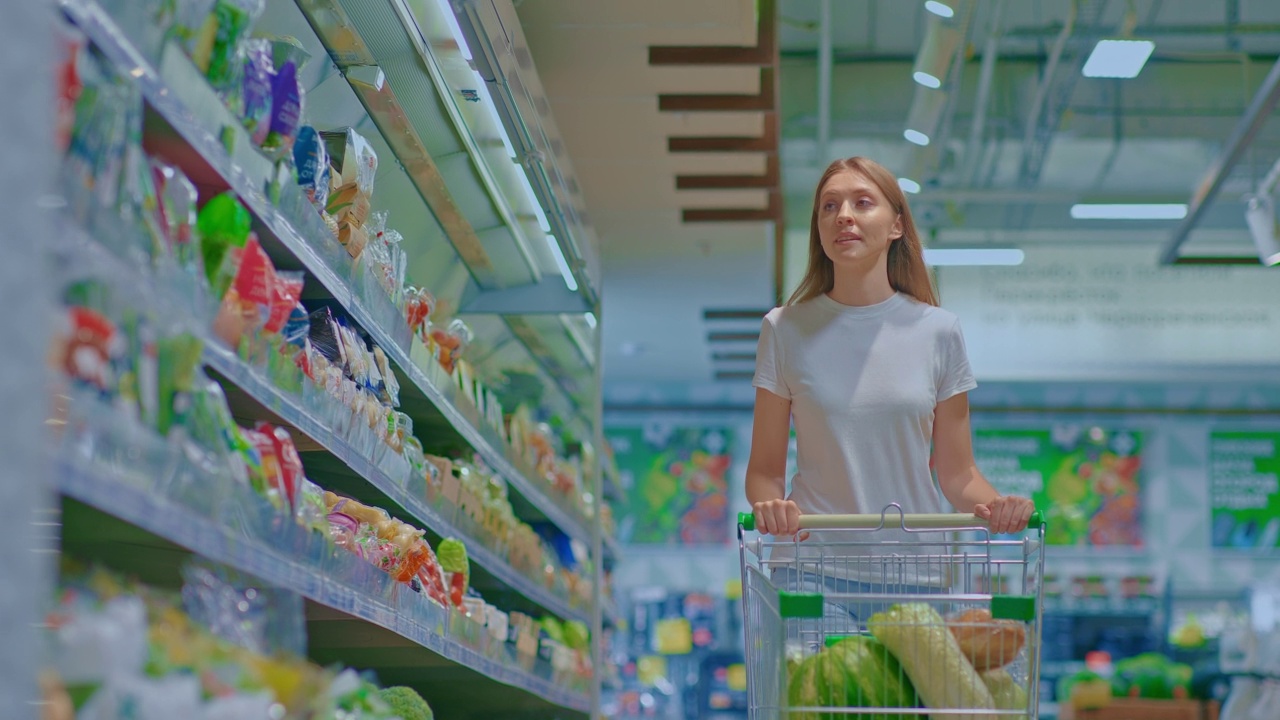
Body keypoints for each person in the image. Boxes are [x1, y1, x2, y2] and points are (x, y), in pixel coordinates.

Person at [745, 156, 1034, 605]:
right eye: (829, 206)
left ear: (896, 226)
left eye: (862, 203)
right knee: (825, 679)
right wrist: (772, 507)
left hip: (915, 570)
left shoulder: (938, 331)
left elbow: (959, 474)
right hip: (810, 565)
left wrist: (998, 506)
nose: (843, 215)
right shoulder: (784, 329)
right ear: (820, 230)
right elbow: (764, 470)